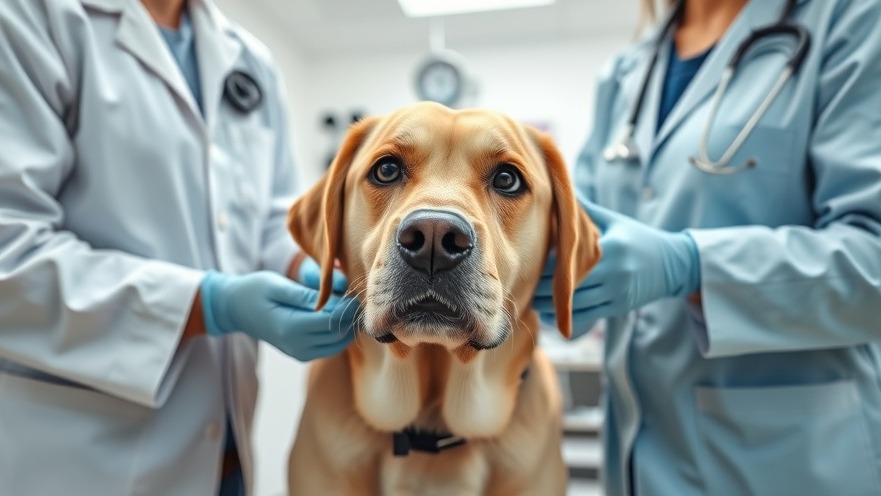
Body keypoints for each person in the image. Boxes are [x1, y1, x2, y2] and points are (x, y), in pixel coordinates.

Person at [0, 0, 357, 494]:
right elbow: (9, 251)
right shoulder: (31, 18)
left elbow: (265, 220)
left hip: (226, 451)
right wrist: (209, 303)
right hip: (85, 458)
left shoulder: (249, 58)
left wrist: (304, 265)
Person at [534, 0, 881, 494]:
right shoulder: (625, 73)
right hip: (637, 464)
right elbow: (577, 235)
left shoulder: (852, 20)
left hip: (789, 464)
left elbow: (873, 261)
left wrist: (690, 266)